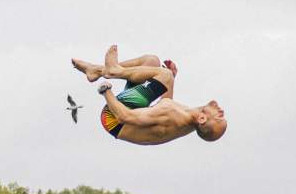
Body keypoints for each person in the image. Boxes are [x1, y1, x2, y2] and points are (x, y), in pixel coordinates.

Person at [70, 46, 227, 146]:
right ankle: (96, 70)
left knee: (164, 75)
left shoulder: (172, 116)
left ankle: (112, 71)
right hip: (130, 113)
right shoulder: (188, 119)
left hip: (114, 118)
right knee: (151, 62)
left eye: (219, 117)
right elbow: (165, 103)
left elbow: (125, 117)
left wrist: (106, 92)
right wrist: (170, 80)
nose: (222, 111)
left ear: (202, 119)